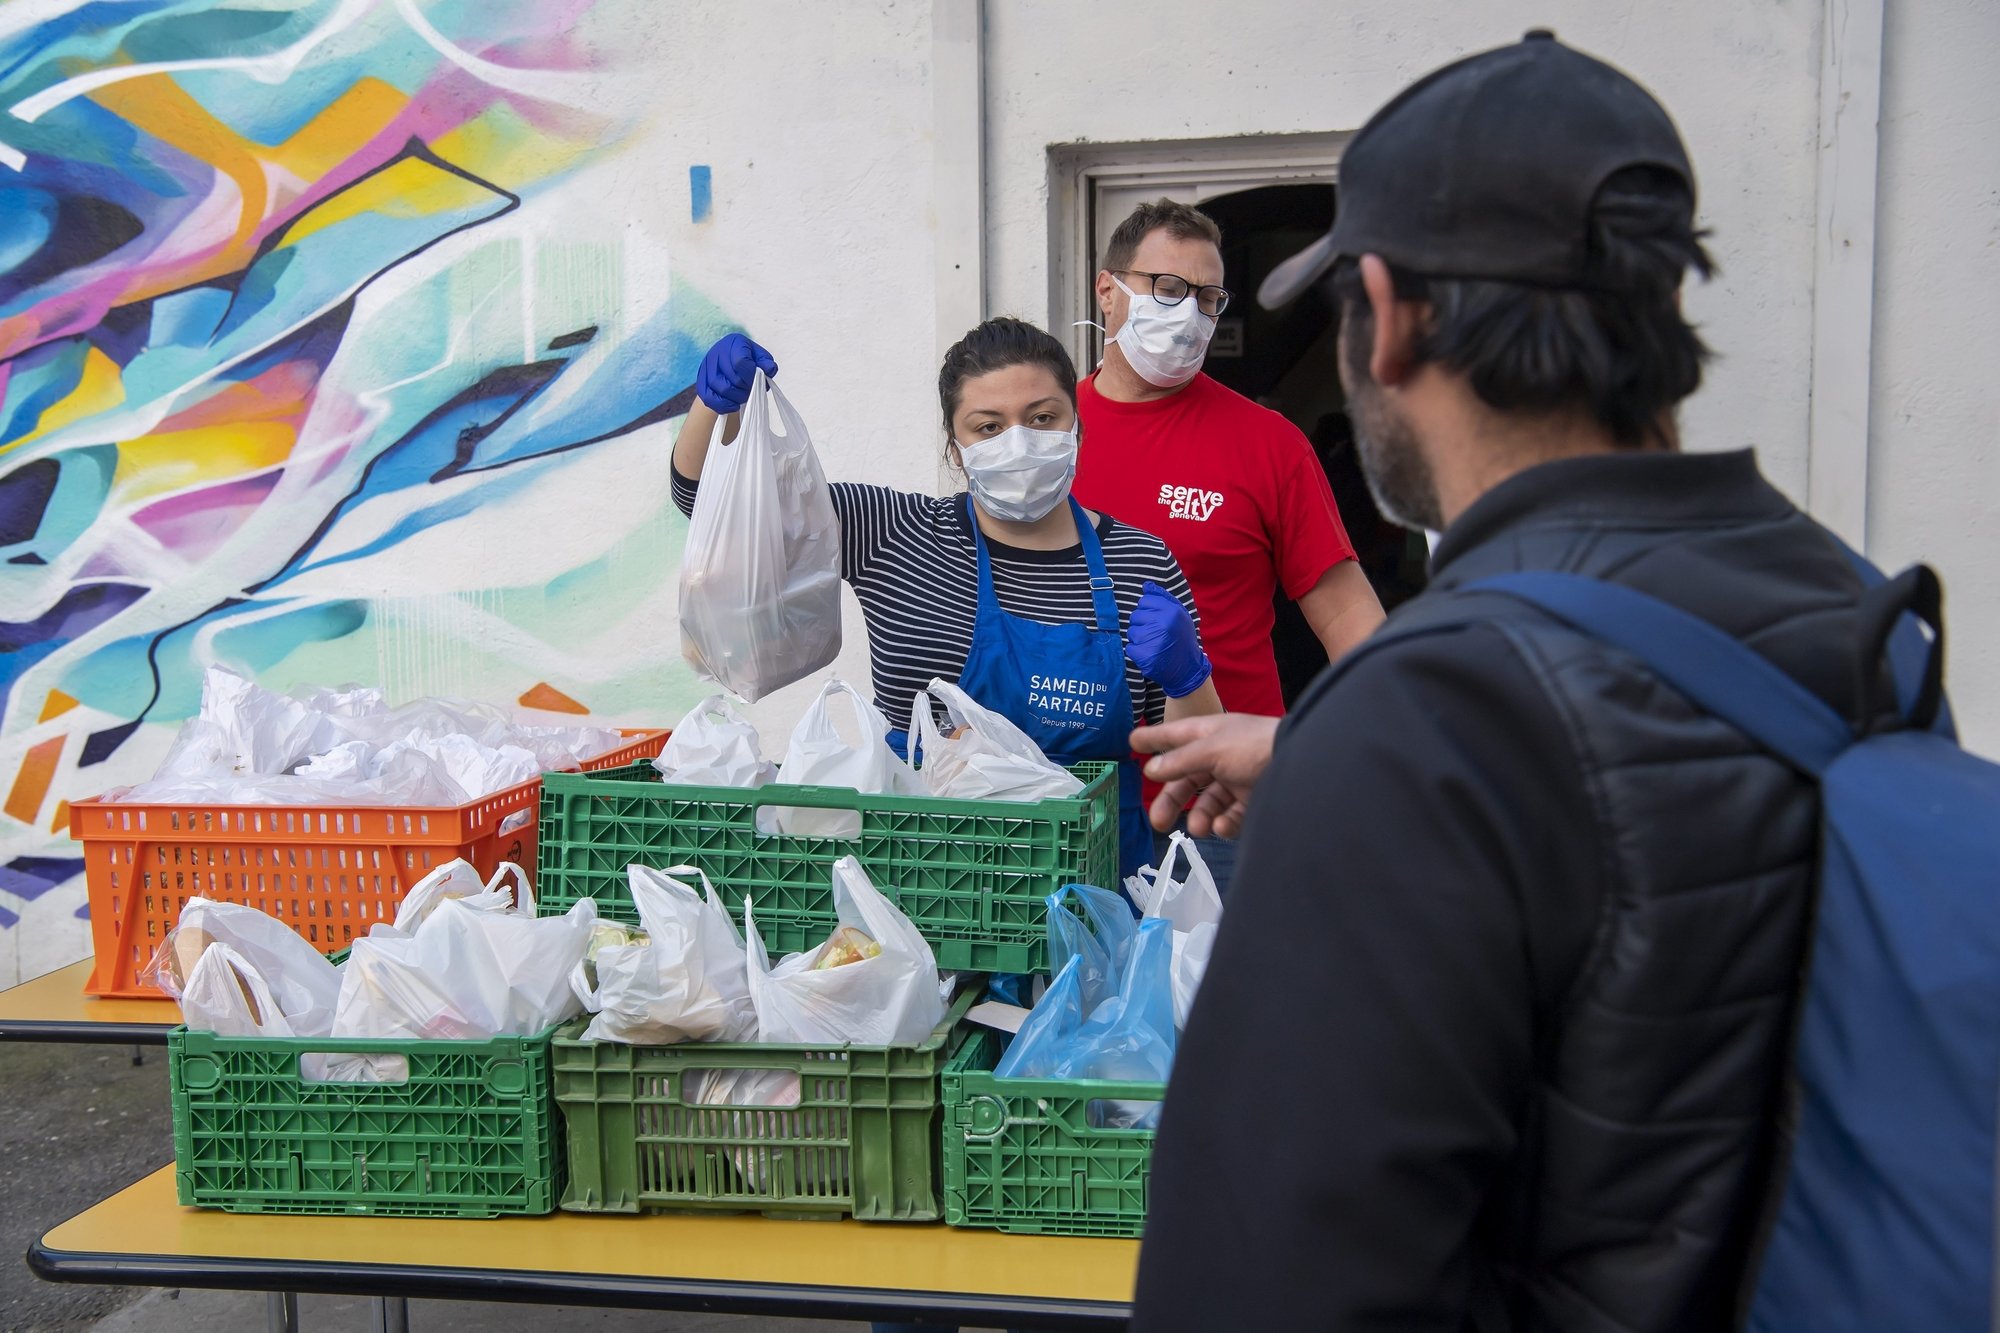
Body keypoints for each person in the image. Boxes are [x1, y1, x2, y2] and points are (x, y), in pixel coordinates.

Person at [1130, 31, 1897, 1331]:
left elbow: (1266, 1284)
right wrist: (1335, 758)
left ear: (1398, 314)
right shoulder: (1854, 610)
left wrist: (1363, 770)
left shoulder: (1429, 725)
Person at [671, 317, 1220, 879]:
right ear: (956, 449)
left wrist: (1186, 677)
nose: (1019, 441)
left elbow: (1198, 768)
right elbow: (714, 509)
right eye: (988, 427)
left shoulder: (1140, 563)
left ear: (1074, 428)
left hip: (1089, 889)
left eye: (1042, 418)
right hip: (927, 884)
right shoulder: (891, 531)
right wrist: (716, 408)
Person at [1071, 198, 1386, 886]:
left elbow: (1349, 618)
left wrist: (1360, 755)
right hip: (1071, 800)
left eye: (1208, 298)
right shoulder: (1047, 439)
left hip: (1222, 808)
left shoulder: (1267, 443)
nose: (1189, 314)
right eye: (1170, 289)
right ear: (1108, 290)